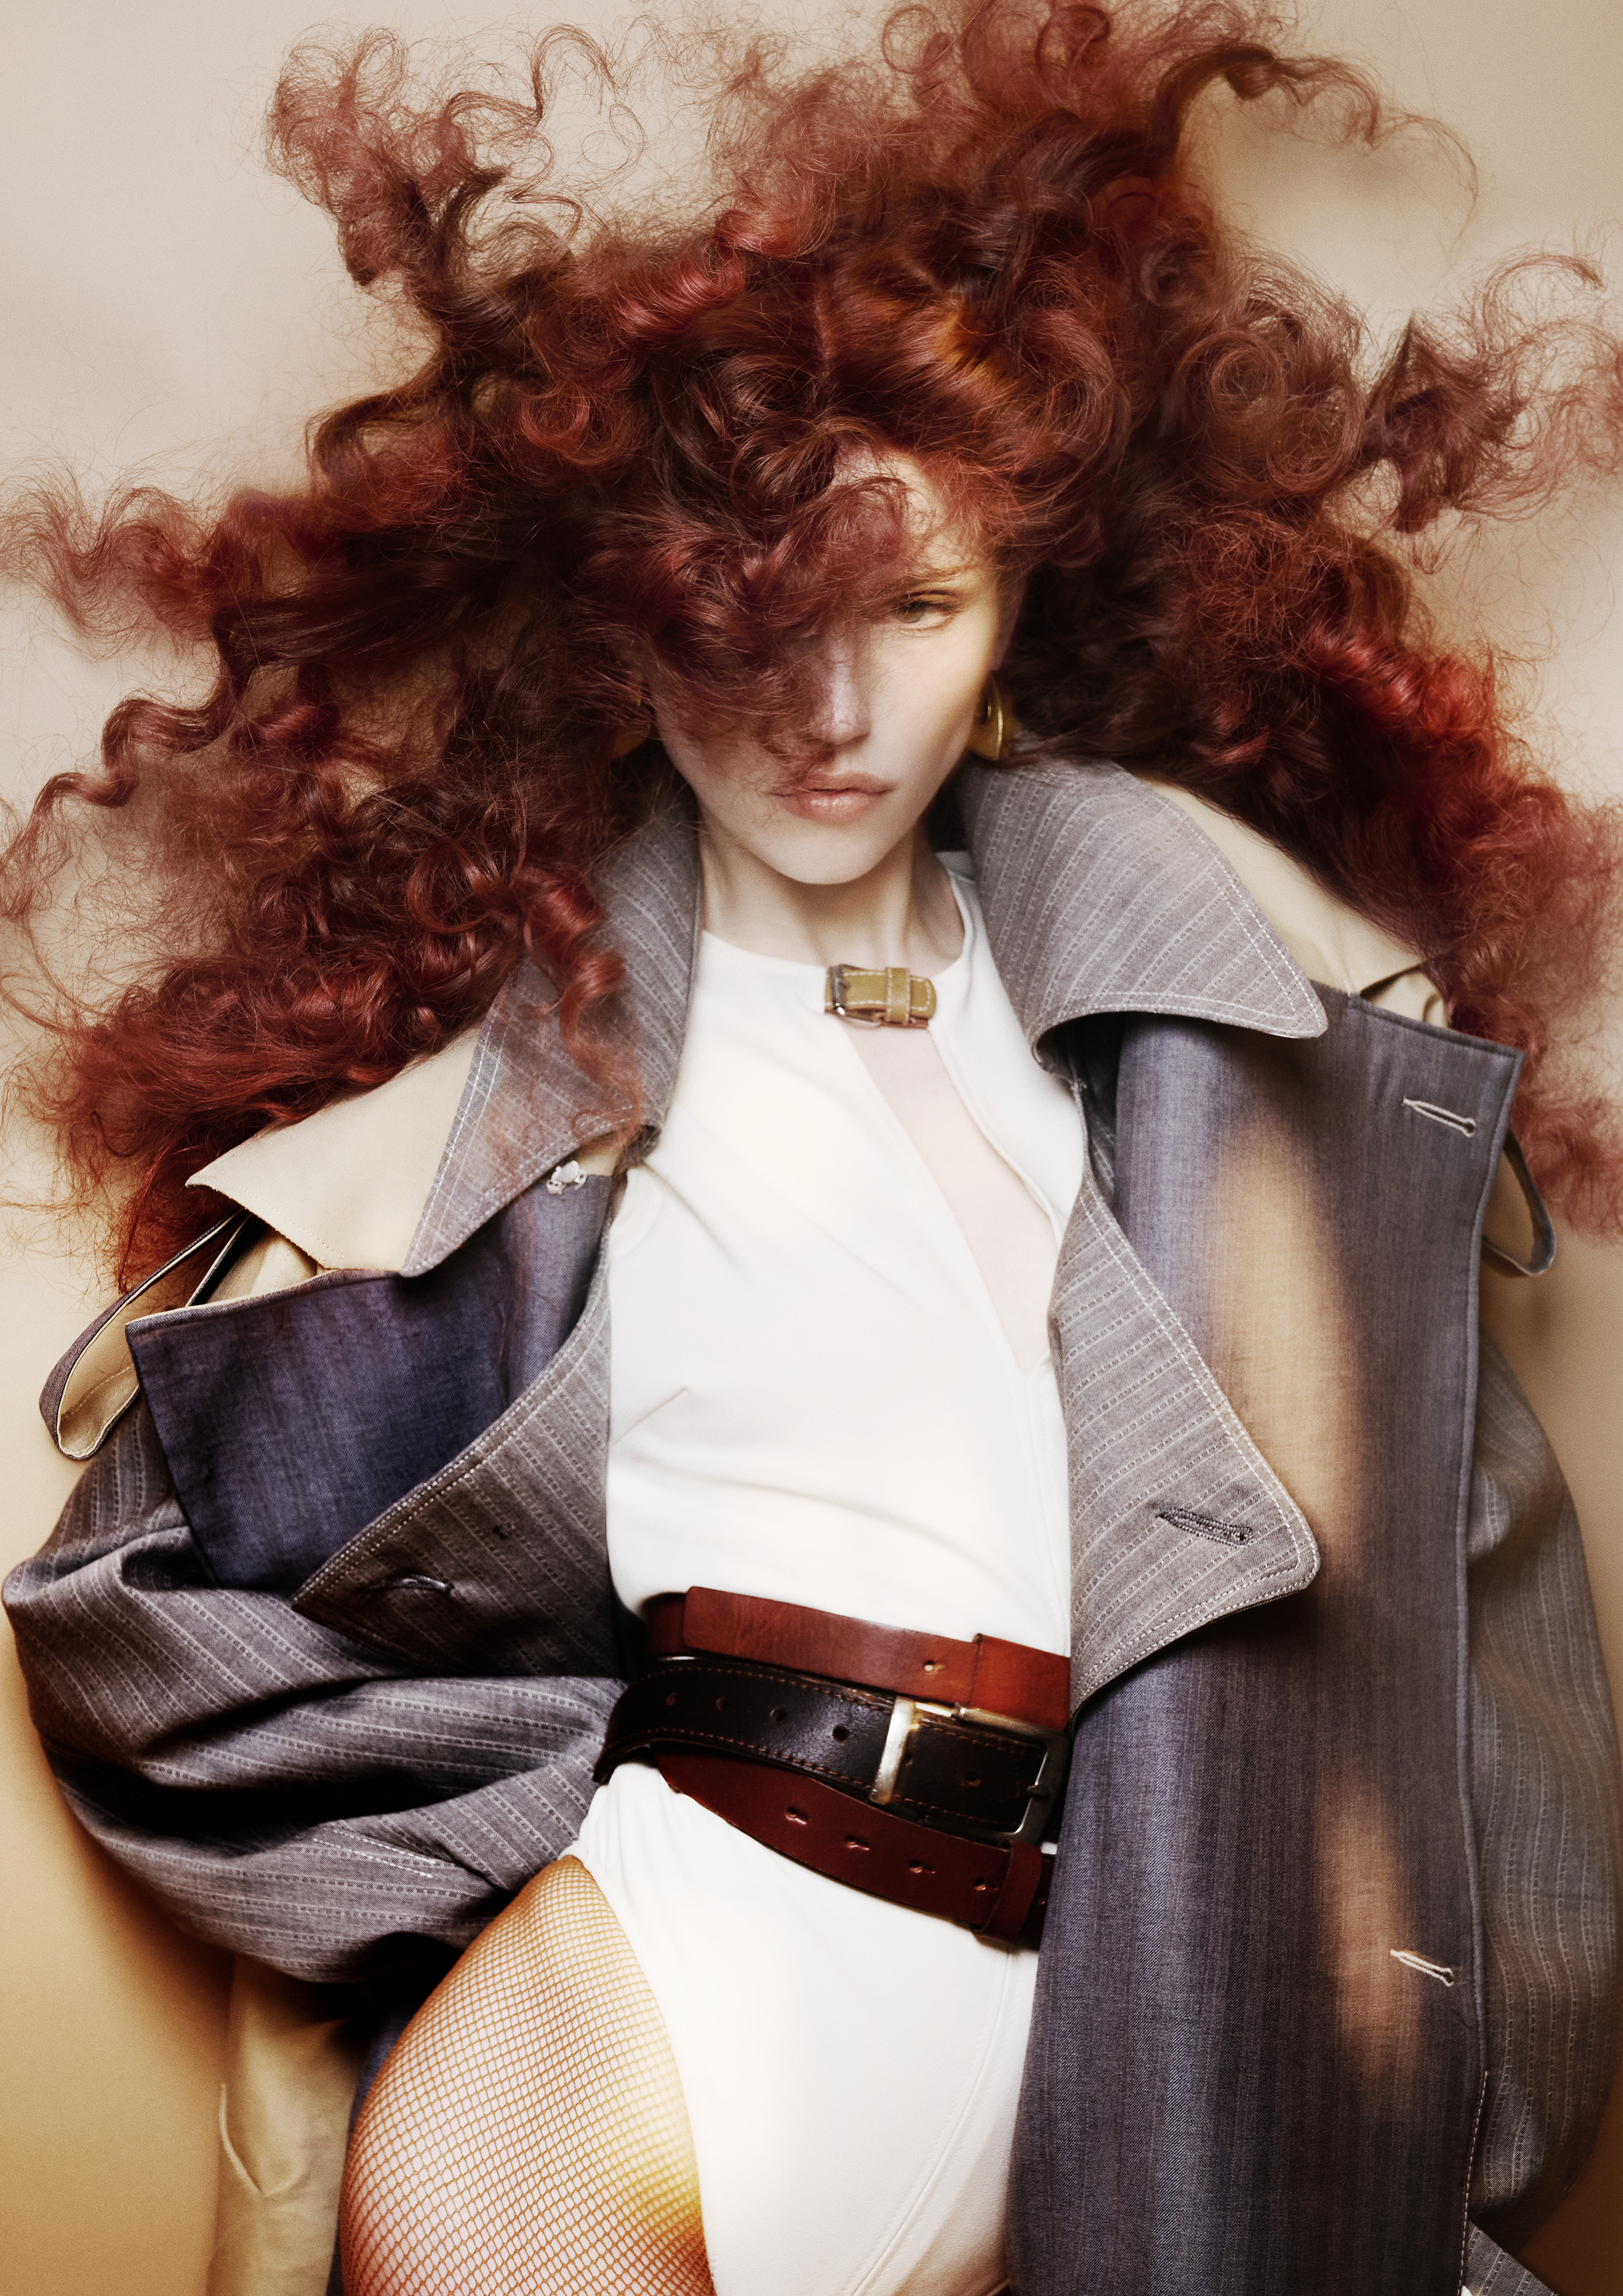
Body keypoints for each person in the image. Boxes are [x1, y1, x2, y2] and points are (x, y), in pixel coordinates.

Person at [3, 3, 1621, 2292]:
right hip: (647, 2043)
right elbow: (135, 1605)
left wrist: (1402, 2123)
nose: (834, 713)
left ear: (1025, 594)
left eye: (915, 608)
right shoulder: (529, 1097)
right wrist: (555, 1796)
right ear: (632, 632)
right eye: (753, 623)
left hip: (1129, 2048)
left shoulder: (1252, 1044)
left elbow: (1479, 1719)